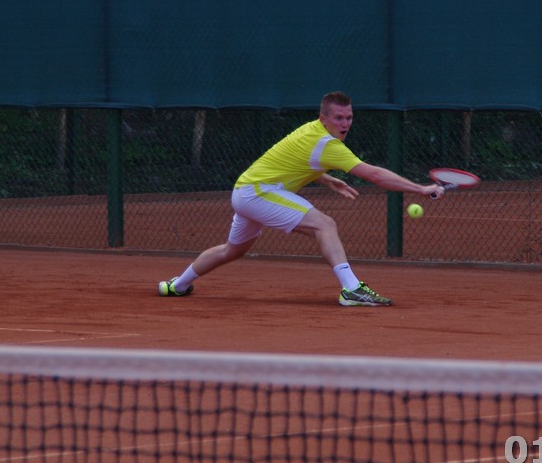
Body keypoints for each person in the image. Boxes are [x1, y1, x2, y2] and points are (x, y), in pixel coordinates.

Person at [158, 91, 445, 306]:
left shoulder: (310, 130)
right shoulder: (328, 144)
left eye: (349, 117)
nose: (345, 123)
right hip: (259, 193)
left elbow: (292, 162)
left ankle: (177, 286)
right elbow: (374, 175)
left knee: (231, 250)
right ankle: (351, 289)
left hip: (246, 190)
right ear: (324, 118)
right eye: (339, 118)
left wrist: (326, 178)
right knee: (325, 224)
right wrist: (420, 189)